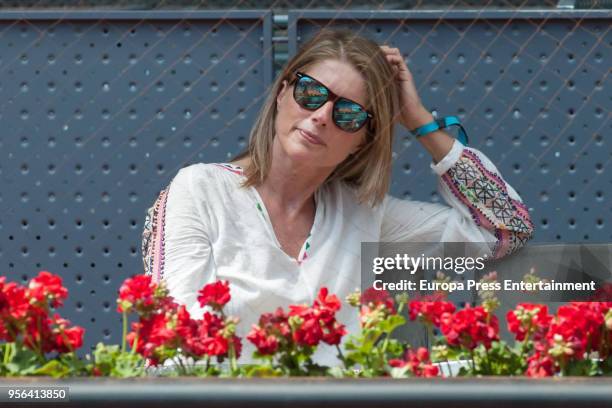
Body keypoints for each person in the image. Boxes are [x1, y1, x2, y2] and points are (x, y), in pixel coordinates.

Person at [141, 29, 534, 364]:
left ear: (362, 143)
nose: (321, 116)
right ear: (282, 93)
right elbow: (174, 338)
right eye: (311, 93)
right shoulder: (200, 189)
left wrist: (420, 121)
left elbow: (505, 231)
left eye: (348, 114)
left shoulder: (363, 214)